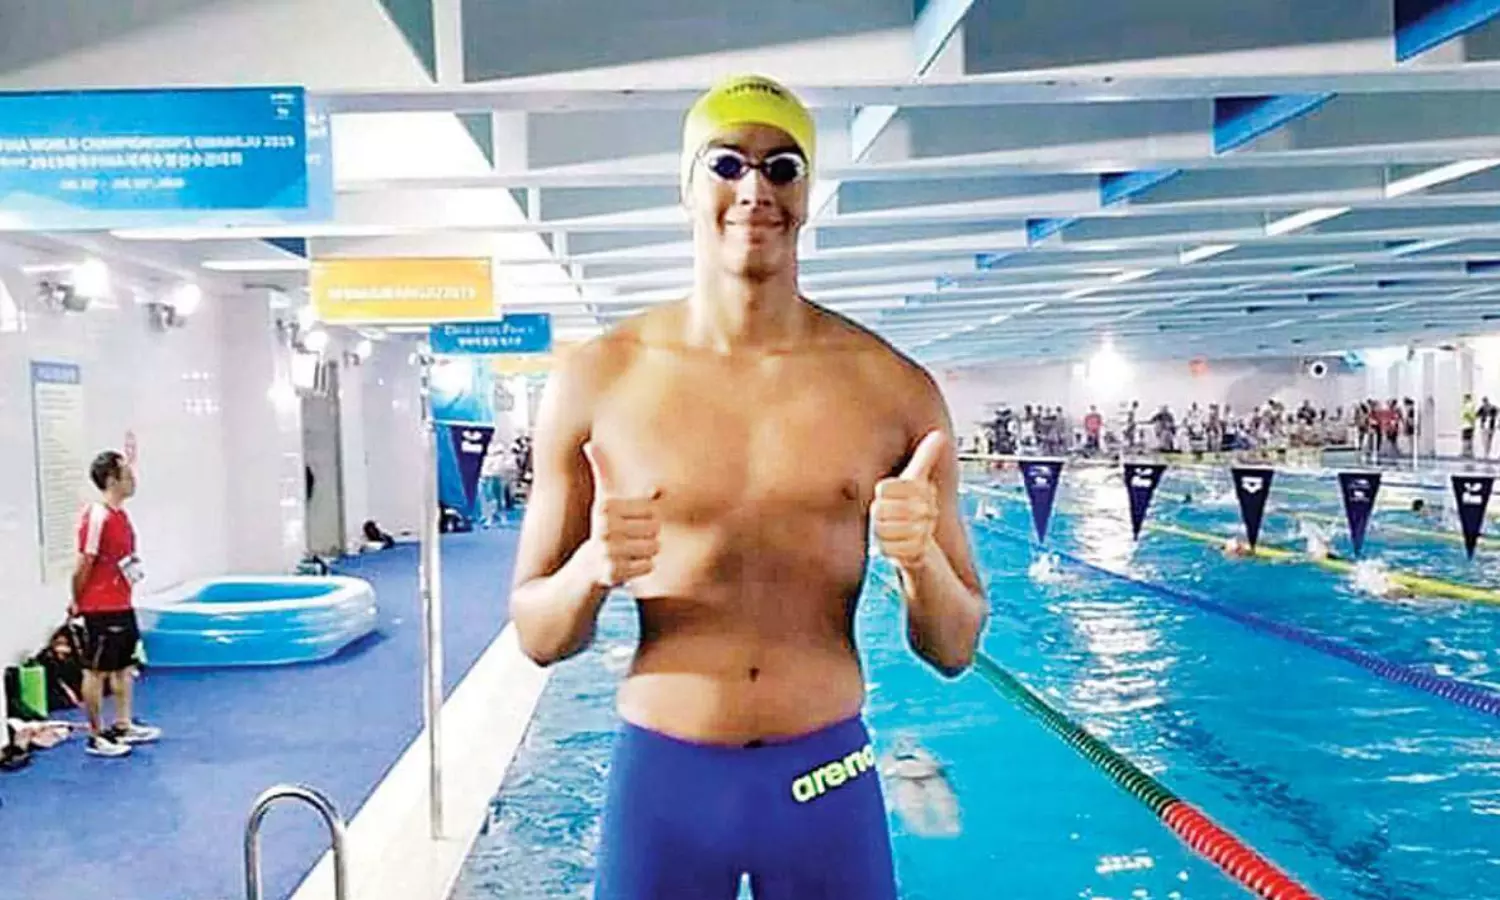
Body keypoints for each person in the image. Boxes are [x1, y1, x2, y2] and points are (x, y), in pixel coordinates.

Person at [508, 74, 987, 900]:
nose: (754, 190)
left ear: (809, 193)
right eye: (726, 163)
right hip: (664, 784)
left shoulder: (894, 390)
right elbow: (537, 634)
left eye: (782, 166)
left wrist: (920, 563)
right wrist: (592, 569)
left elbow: (955, 648)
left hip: (826, 778)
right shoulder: (599, 380)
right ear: (686, 186)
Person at [71, 450, 160, 758]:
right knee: (96, 671)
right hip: (99, 607)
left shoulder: (121, 516)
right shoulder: (97, 516)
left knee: (124, 667)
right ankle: (96, 735)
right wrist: (77, 601)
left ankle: (123, 724)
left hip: (122, 602)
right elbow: (84, 563)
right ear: (111, 479)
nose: (133, 479)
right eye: (127, 474)